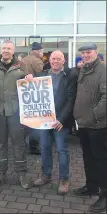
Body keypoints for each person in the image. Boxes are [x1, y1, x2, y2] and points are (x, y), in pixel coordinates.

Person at [26, 50, 77, 195]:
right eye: (53, 58)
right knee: (45, 148)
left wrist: (61, 119)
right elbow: (30, 83)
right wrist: (29, 77)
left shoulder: (70, 76)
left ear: (64, 60)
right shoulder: (42, 74)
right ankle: (46, 175)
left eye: (58, 59)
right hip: (44, 120)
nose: (55, 61)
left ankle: (64, 179)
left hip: (60, 121)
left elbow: (70, 100)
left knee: (62, 150)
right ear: (50, 60)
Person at [0, 40, 31, 189]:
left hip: (16, 111)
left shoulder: (21, 66)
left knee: (19, 144)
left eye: (9, 48)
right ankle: (1, 173)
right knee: (0, 144)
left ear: (13, 51)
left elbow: (29, 86)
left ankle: (21, 174)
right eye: (3, 48)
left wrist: (29, 81)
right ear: (0, 50)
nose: (6, 50)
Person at [73, 43, 106, 212]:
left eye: (89, 52)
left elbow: (106, 98)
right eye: (83, 53)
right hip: (84, 123)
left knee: (101, 160)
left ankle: (104, 196)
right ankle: (91, 186)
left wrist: (94, 115)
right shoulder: (84, 69)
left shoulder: (103, 70)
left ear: (96, 53)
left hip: (98, 125)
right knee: (88, 157)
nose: (86, 55)